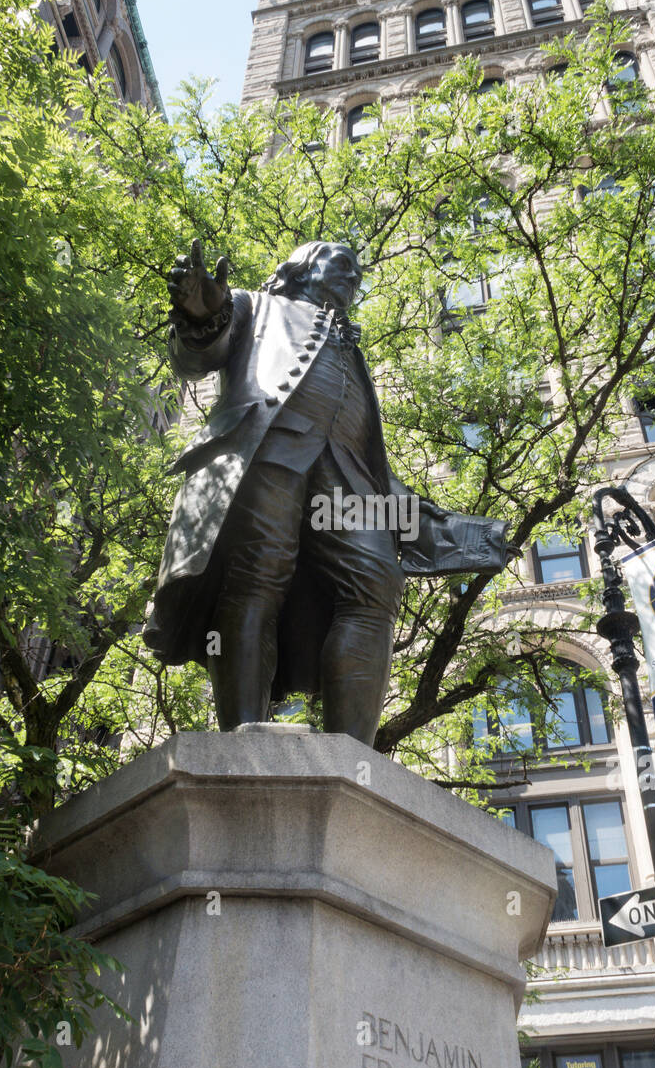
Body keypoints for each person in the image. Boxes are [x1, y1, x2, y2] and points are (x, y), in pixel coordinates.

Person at [145, 238, 509, 746]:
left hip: (345, 476)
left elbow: (371, 460)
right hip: (265, 454)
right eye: (341, 265)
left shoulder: (349, 347)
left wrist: (465, 535)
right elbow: (202, 351)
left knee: (377, 583)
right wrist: (200, 311)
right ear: (301, 268)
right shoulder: (257, 305)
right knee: (256, 577)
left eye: (358, 273)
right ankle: (244, 735)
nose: (352, 277)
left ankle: (353, 758)